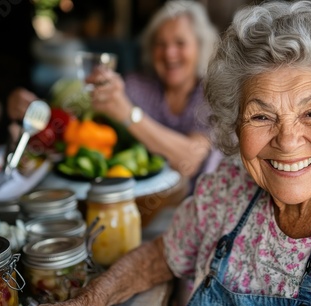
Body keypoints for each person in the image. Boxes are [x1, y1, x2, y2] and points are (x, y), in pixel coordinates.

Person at [19, 1, 311, 306]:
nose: (287, 141)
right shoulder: (230, 183)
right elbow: (163, 254)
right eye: (262, 116)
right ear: (234, 122)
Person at [86, 0, 220, 182]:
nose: (169, 53)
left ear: (200, 46)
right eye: (160, 44)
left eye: (180, 43)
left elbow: (189, 161)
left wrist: (127, 114)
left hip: (196, 201)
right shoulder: (136, 85)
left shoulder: (213, 93)